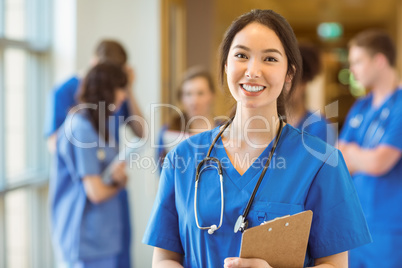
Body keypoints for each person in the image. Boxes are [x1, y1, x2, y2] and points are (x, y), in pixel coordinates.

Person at [143, 9, 371, 268]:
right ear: (226, 66)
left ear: (289, 75)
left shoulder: (321, 162)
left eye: (270, 59)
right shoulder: (182, 158)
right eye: (241, 55)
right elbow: (164, 258)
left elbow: (334, 264)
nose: (252, 70)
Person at [46, 40, 143, 268]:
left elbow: (140, 130)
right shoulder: (81, 126)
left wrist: (116, 176)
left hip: (104, 231)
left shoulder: (101, 120)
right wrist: (118, 183)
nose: (124, 97)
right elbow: (96, 191)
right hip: (85, 233)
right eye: (122, 90)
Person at [339, 29, 402, 268]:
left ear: (379, 60)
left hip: (390, 229)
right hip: (357, 225)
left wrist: (355, 154)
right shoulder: (362, 105)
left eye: (357, 61)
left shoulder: (400, 105)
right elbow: (339, 157)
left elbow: (380, 162)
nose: (352, 69)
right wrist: (361, 157)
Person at [157, 67, 218, 171]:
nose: (194, 101)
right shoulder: (169, 130)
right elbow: (162, 172)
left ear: (212, 95)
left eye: (200, 93)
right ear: (181, 98)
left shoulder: (225, 131)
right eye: (188, 94)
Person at [287, 43, 336, 145]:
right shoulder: (265, 125)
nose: (283, 88)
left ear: (303, 84)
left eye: (289, 82)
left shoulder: (319, 127)